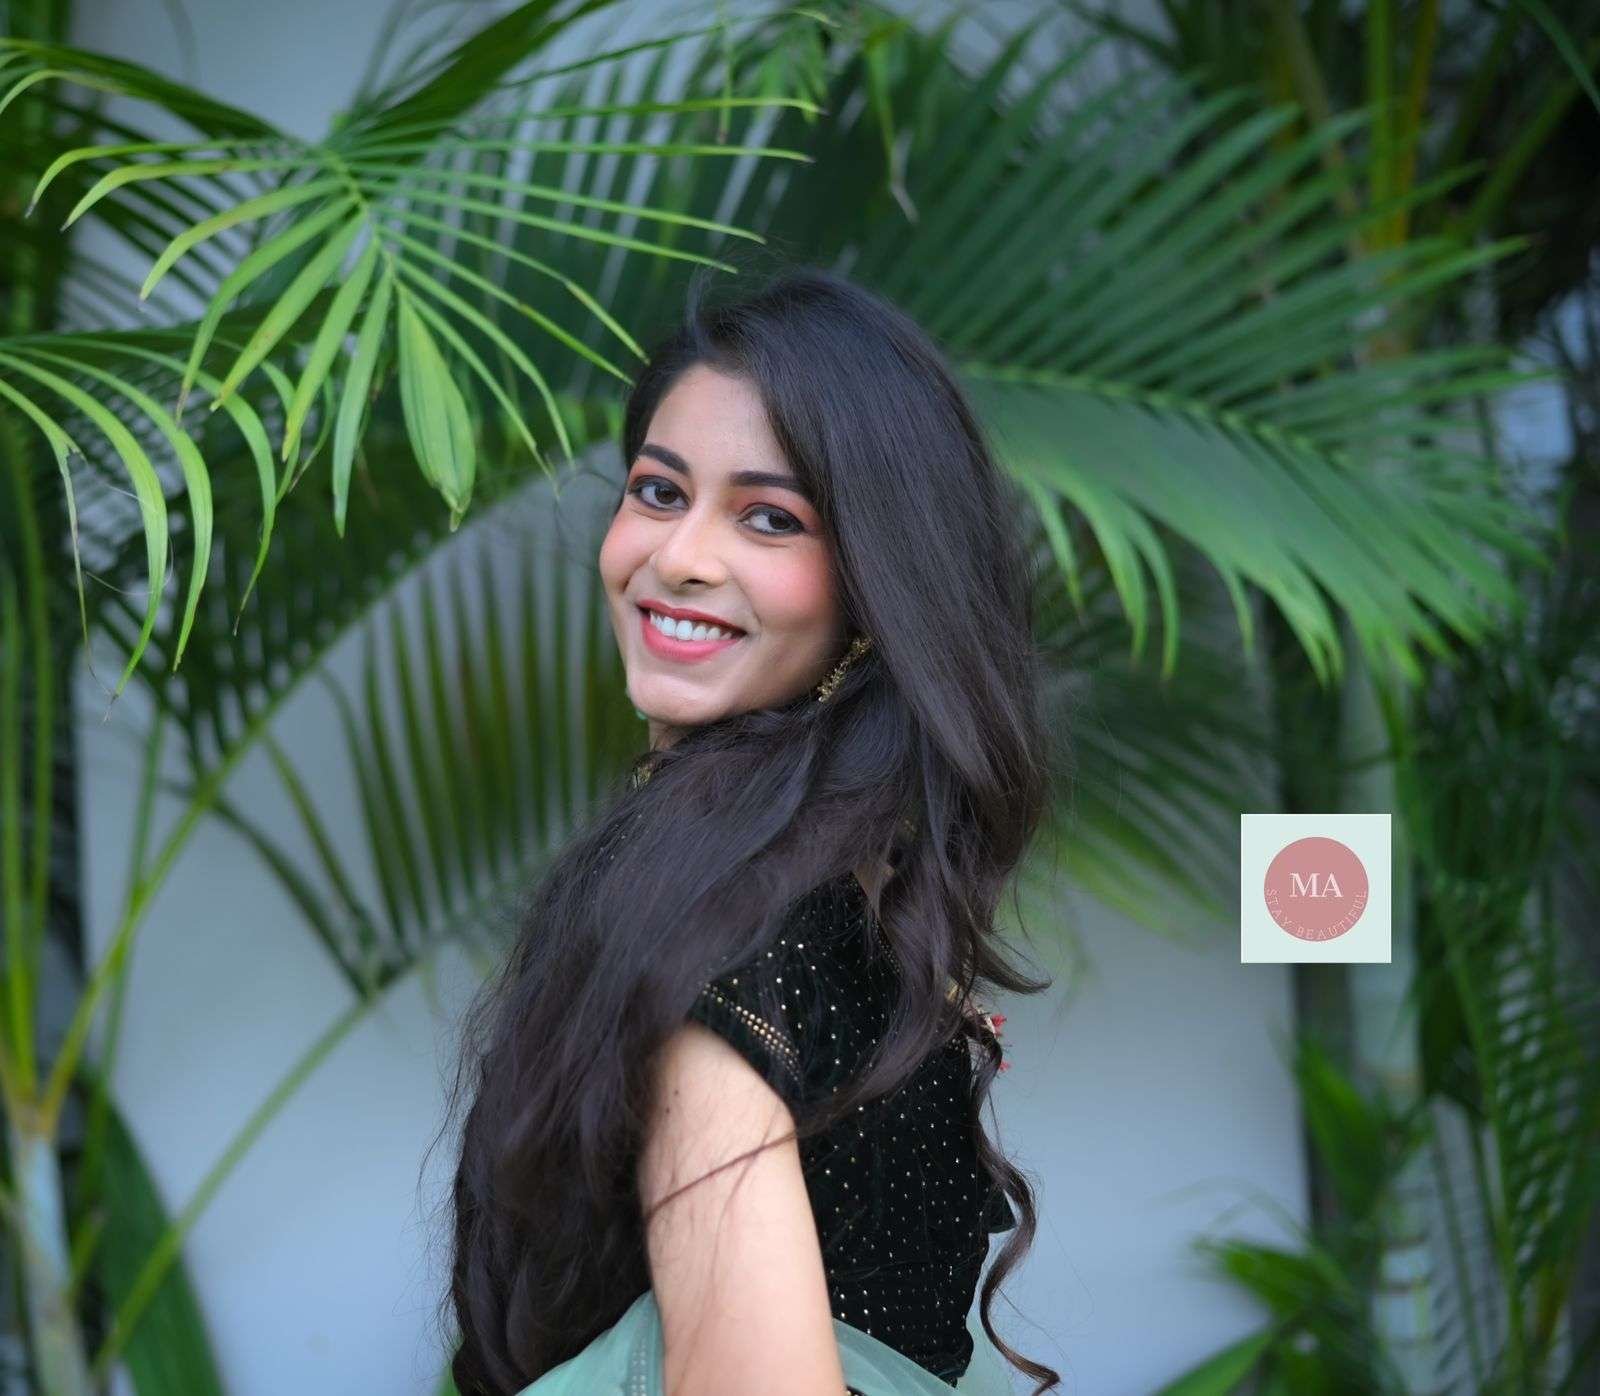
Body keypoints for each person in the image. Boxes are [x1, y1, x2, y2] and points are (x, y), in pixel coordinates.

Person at [440, 262, 1064, 1395]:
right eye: (658, 491)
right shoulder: (818, 889)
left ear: (875, 586)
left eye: (770, 518)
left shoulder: (729, 923)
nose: (679, 557)